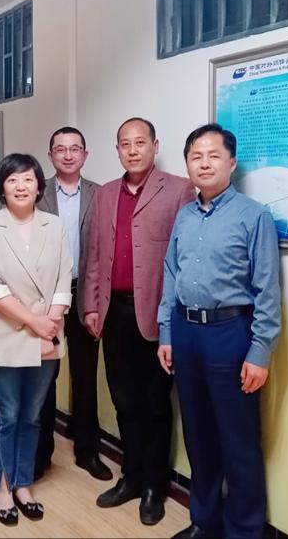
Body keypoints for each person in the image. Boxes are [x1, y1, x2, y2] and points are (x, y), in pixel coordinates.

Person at [158, 123, 281, 539]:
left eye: (213, 155)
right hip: (186, 332)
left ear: (231, 163)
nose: (204, 163)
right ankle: (204, 522)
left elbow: (267, 289)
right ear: (188, 166)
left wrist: (260, 351)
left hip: (231, 334)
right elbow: (170, 274)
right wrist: (166, 332)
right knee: (198, 435)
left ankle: (244, 530)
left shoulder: (253, 215)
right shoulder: (184, 215)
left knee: (238, 439)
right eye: (196, 156)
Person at [83, 118, 195, 526]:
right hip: (114, 312)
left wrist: (173, 318)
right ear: (117, 150)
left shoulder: (179, 189)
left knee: (155, 404)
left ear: (155, 146)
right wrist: (91, 305)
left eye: (140, 143)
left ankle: (154, 486)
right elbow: (95, 253)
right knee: (124, 400)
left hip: (156, 313)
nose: (133, 150)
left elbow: (184, 257)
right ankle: (130, 477)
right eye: (125, 144)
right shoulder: (105, 194)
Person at [0, 153, 72, 527]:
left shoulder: (54, 225)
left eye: (28, 179)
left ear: (39, 185)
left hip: (47, 336)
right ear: (2, 187)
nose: (20, 186)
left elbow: (63, 279)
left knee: (32, 416)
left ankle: (23, 483)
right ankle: (2, 487)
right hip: (6, 335)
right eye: (12, 180)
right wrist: (36, 323)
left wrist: (50, 325)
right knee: (6, 415)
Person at [34, 127, 111, 482]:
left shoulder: (101, 194)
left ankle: (87, 450)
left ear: (85, 154)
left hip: (84, 294)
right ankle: (41, 453)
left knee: (85, 375)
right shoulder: (36, 191)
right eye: (60, 149)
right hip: (43, 298)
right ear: (50, 155)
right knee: (43, 376)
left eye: (75, 149)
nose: (68, 155)